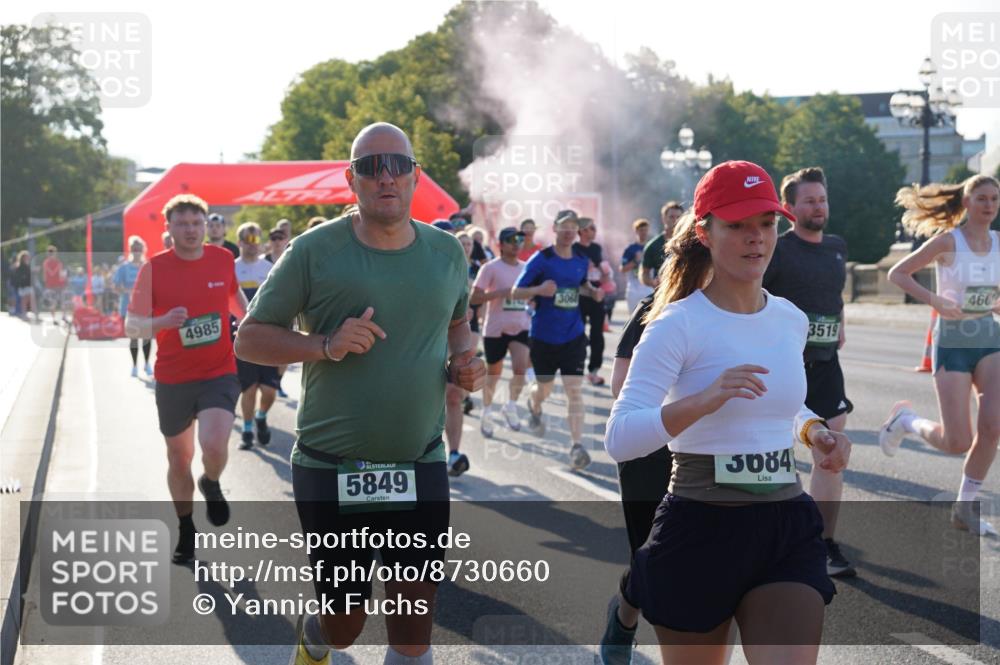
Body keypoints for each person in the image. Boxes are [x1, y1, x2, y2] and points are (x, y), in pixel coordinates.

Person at [234, 122, 484, 665]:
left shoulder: (445, 252)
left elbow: (458, 322)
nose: (386, 176)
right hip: (332, 467)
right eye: (371, 166)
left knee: (415, 628)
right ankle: (319, 635)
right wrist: (324, 343)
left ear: (416, 176)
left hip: (419, 462)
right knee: (345, 623)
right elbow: (249, 339)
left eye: (398, 164)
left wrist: (465, 361)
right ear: (352, 179)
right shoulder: (313, 251)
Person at [605, 161, 849, 664]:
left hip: (785, 524)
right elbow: (620, 438)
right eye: (737, 225)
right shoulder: (676, 323)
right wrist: (701, 401)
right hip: (700, 525)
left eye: (765, 223)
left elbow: (779, 402)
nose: (755, 238)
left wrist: (814, 430)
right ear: (705, 232)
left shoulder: (789, 319)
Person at [125, 194, 248, 564]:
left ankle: (211, 481)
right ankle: (185, 528)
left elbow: (233, 295)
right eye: (182, 224)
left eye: (197, 223)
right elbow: (131, 324)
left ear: (206, 225)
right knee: (179, 458)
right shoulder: (154, 269)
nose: (191, 230)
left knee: (213, 444)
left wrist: (250, 320)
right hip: (174, 377)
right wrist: (161, 322)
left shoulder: (223, 258)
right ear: (169, 228)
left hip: (218, 371)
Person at [879, 174, 1000, 537]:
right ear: (966, 203)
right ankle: (906, 421)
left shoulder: (999, 243)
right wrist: (935, 300)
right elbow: (898, 274)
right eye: (982, 198)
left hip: (990, 339)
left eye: (994, 198)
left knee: (993, 425)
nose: (989, 205)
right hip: (952, 343)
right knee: (957, 441)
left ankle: (965, 507)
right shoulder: (948, 242)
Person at [762, 166, 856, 578]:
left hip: (826, 365)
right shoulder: (777, 249)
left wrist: (839, 326)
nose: (819, 207)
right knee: (772, 459)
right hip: (783, 366)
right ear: (789, 207)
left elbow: (835, 297)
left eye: (823, 199)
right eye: (810, 200)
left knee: (831, 451)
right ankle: (769, 539)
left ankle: (824, 545)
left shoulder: (836, 246)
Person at [512, 209, 604, 470]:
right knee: (545, 389)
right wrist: (539, 290)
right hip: (543, 337)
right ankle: (535, 403)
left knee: (574, 390)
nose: (568, 231)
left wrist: (592, 292)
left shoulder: (580, 259)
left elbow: (581, 285)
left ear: (577, 232)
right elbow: (516, 291)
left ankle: (577, 445)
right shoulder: (542, 259)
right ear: (554, 228)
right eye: (564, 226)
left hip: (573, 335)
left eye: (573, 227)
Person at [471, 226, 533, 437]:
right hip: (495, 328)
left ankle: (511, 406)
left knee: (520, 368)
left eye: (519, 240)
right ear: (501, 244)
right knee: (494, 374)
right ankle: (487, 411)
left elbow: (532, 294)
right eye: (511, 240)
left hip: (520, 326)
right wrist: (500, 293)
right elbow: (474, 298)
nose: (516, 244)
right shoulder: (490, 268)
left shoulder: (527, 268)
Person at [233, 222, 280, 449]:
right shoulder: (231, 268)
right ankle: (247, 430)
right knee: (249, 388)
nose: (252, 245)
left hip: (267, 337)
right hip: (241, 338)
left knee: (269, 391)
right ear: (240, 242)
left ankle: (261, 416)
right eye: (248, 241)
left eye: (256, 240)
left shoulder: (269, 268)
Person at [574, 216, 613, 386]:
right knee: (578, 334)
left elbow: (605, 271)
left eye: (595, 228)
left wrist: (605, 277)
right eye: (591, 228)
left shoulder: (597, 248)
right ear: (581, 231)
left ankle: (594, 371)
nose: (594, 231)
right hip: (579, 294)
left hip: (596, 293)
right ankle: (576, 368)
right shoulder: (573, 248)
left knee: (598, 334)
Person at [115, 236, 153, 377]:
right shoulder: (124, 268)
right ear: (131, 250)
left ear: (143, 250)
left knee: (147, 336)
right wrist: (127, 291)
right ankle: (135, 365)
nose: (136, 251)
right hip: (129, 306)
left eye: (139, 248)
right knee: (134, 337)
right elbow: (116, 286)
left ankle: (147, 363)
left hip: (146, 307)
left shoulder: (148, 266)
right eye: (134, 248)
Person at [641, 201, 684, 288]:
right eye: (671, 217)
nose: (675, 220)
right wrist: (653, 282)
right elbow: (644, 274)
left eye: (678, 217)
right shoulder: (653, 246)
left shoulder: (690, 243)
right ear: (663, 218)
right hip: (663, 295)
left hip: (687, 294)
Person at [621, 218, 654, 315]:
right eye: (641, 230)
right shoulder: (630, 249)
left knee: (648, 318)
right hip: (633, 289)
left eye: (645, 230)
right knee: (633, 319)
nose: (643, 233)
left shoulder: (651, 246)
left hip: (648, 287)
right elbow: (622, 269)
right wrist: (635, 260)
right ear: (636, 231)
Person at [42, 245, 68, 323]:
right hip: (57, 285)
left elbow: (44, 276)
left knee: (54, 302)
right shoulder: (58, 263)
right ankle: (62, 317)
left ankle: (55, 318)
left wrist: (45, 284)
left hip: (51, 285)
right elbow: (60, 274)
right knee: (61, 301)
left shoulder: (45, 263)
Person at [12, 250, 34, 320]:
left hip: (28, 285)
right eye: (26, 257)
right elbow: (19, 276)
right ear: (23, 258)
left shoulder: (27, 265)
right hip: (23, 286)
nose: (27, 258)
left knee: (29, 299)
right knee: (24, 300)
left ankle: (28, 313)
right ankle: (24, 314)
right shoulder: (20, 266)